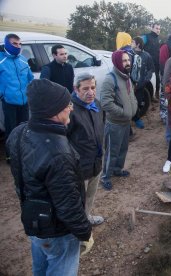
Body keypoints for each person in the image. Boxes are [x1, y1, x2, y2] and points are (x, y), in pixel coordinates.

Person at [6, 79, 91, 275]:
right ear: (53, 111)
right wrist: (85, 233)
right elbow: (69, 206)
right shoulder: (58, 152)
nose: (71, 108)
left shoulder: (19, 132)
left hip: (35, 220)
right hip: (59, 232)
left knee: (41, 269)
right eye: (67, 104)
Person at [67, 72, 104, 226]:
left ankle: (87, 216)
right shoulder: (69, 110)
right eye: (85, 89)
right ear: (76, 89)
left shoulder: (97, 104)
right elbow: (64, 139)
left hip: (96, 161)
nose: (91, 92)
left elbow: (101, 127)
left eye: (93, 87)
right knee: (77, 199)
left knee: (90, 195)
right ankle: (77, 228)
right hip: (79, 166)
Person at [100, 50, 138, 190]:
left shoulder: (127, 77)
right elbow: (106, 103)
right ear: (117, 62)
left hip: (126, 123)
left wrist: (133, 109)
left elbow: (131, 95)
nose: (128, 63)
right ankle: (105, 177)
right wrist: (123, 112)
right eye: (124, 61)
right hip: (115, 124)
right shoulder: (111, 79)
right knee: (112, 151)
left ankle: (117, 170)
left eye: (128, 60)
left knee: (123, 149)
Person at [0, 33, 34, 141]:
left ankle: (22, 154)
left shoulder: (23, 59)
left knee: (24, 130)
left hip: (24, 102)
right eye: (14, 43)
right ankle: (10, 157)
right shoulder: (1, 61)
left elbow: (30, 78)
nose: (18, 46)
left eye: (20, 44)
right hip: (9, 102)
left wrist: (29, 93)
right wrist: (2, 94)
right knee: (12, 132)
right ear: (6, 44)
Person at [130, 36, 155, 129]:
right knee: (129, 102)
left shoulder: (146, 56)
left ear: (138, 44)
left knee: (137, 102)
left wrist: (145, 80)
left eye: (133, 42)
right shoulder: (129, 54)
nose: (131, 44)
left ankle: (136, 119)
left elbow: (151, 69)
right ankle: (131, 119)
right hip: (130, 84)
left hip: (140, 85)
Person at [143, 23, 161, 100]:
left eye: (159, 29)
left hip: (157, 64)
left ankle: (156, 95)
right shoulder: (146, 37)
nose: (158, 30)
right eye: (156, 28)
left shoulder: (158, 39)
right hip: (148, 63)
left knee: (157, 80)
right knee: (148, 79)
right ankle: (148, 96)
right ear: (152, 28)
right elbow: (138, 45)